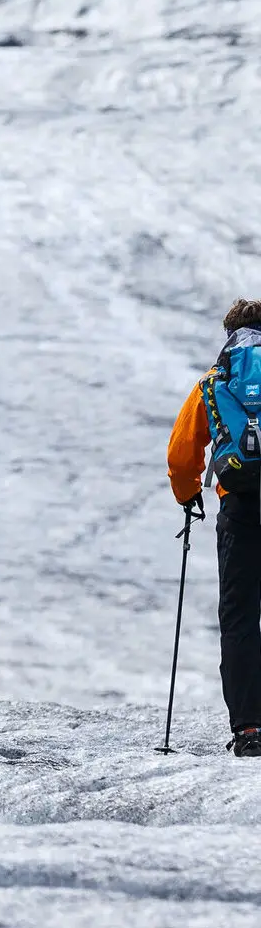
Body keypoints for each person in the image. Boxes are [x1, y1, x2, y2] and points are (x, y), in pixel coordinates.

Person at [168, 298, 261, 757]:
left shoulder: (214, 381)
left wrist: (188, 496)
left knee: (240, 616)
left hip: (240, 506)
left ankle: (250, 729)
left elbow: (181, 453)